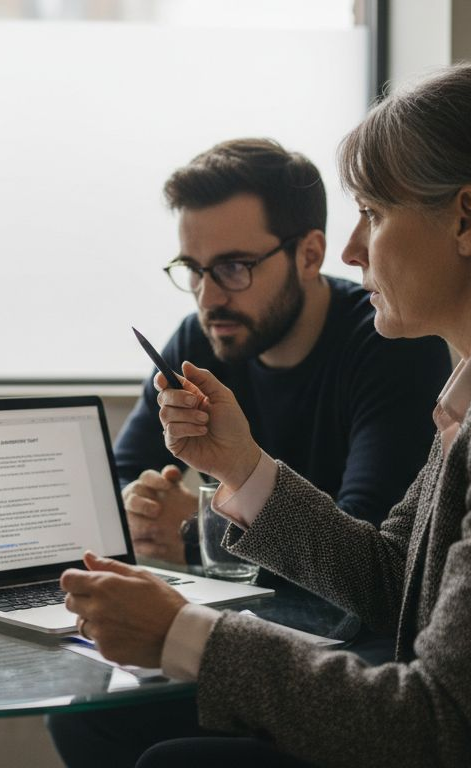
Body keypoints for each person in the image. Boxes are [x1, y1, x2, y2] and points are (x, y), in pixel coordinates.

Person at [60, 63, 471, 767]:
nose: (349, 250)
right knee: (105, 728)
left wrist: (186, 635)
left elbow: (440, 727)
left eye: (373, 215)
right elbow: (391, 578)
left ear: (467, 220)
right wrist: (240, 467)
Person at [115, 138, 450, 571]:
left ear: (309, 255)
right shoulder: (202, 338)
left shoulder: (393, 345)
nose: (208, 297)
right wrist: (140, 505)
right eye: (194, 270)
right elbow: (123, 472)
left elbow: (368, 553)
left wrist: (198, 529)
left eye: (234, 267)